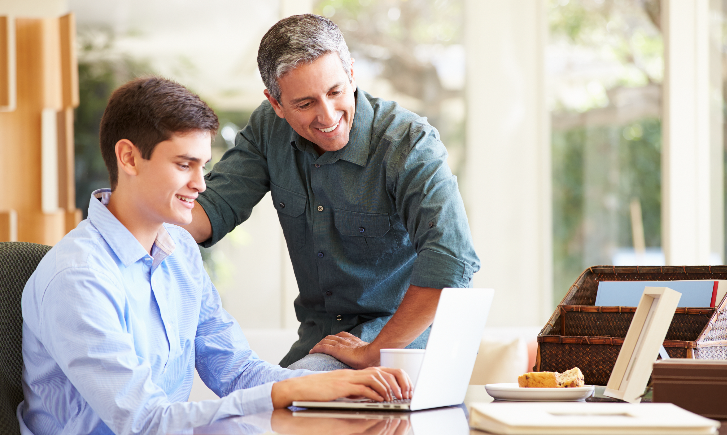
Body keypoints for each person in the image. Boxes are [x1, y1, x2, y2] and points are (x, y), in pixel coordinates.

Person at [17, 77, 410, 435]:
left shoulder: (179, 249)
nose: (201, 184)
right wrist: (291, 390)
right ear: (129, 158)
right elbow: (146, 422)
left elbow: (235, 369)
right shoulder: (78, 278)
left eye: (203, 166)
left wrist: (318, 391)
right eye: (184, 165)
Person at [183, 14, 481, 371]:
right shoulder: (268, 128)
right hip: (320, 344)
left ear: (352, 73)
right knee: (260, 401)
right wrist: (134, 215)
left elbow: (452, 262)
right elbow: (207, 213)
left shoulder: (409, 143)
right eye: (305, 104)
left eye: (336, 91)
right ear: (275, 104)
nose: (327, 116)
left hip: (405, 347)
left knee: (278, 399)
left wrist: (375, 351)